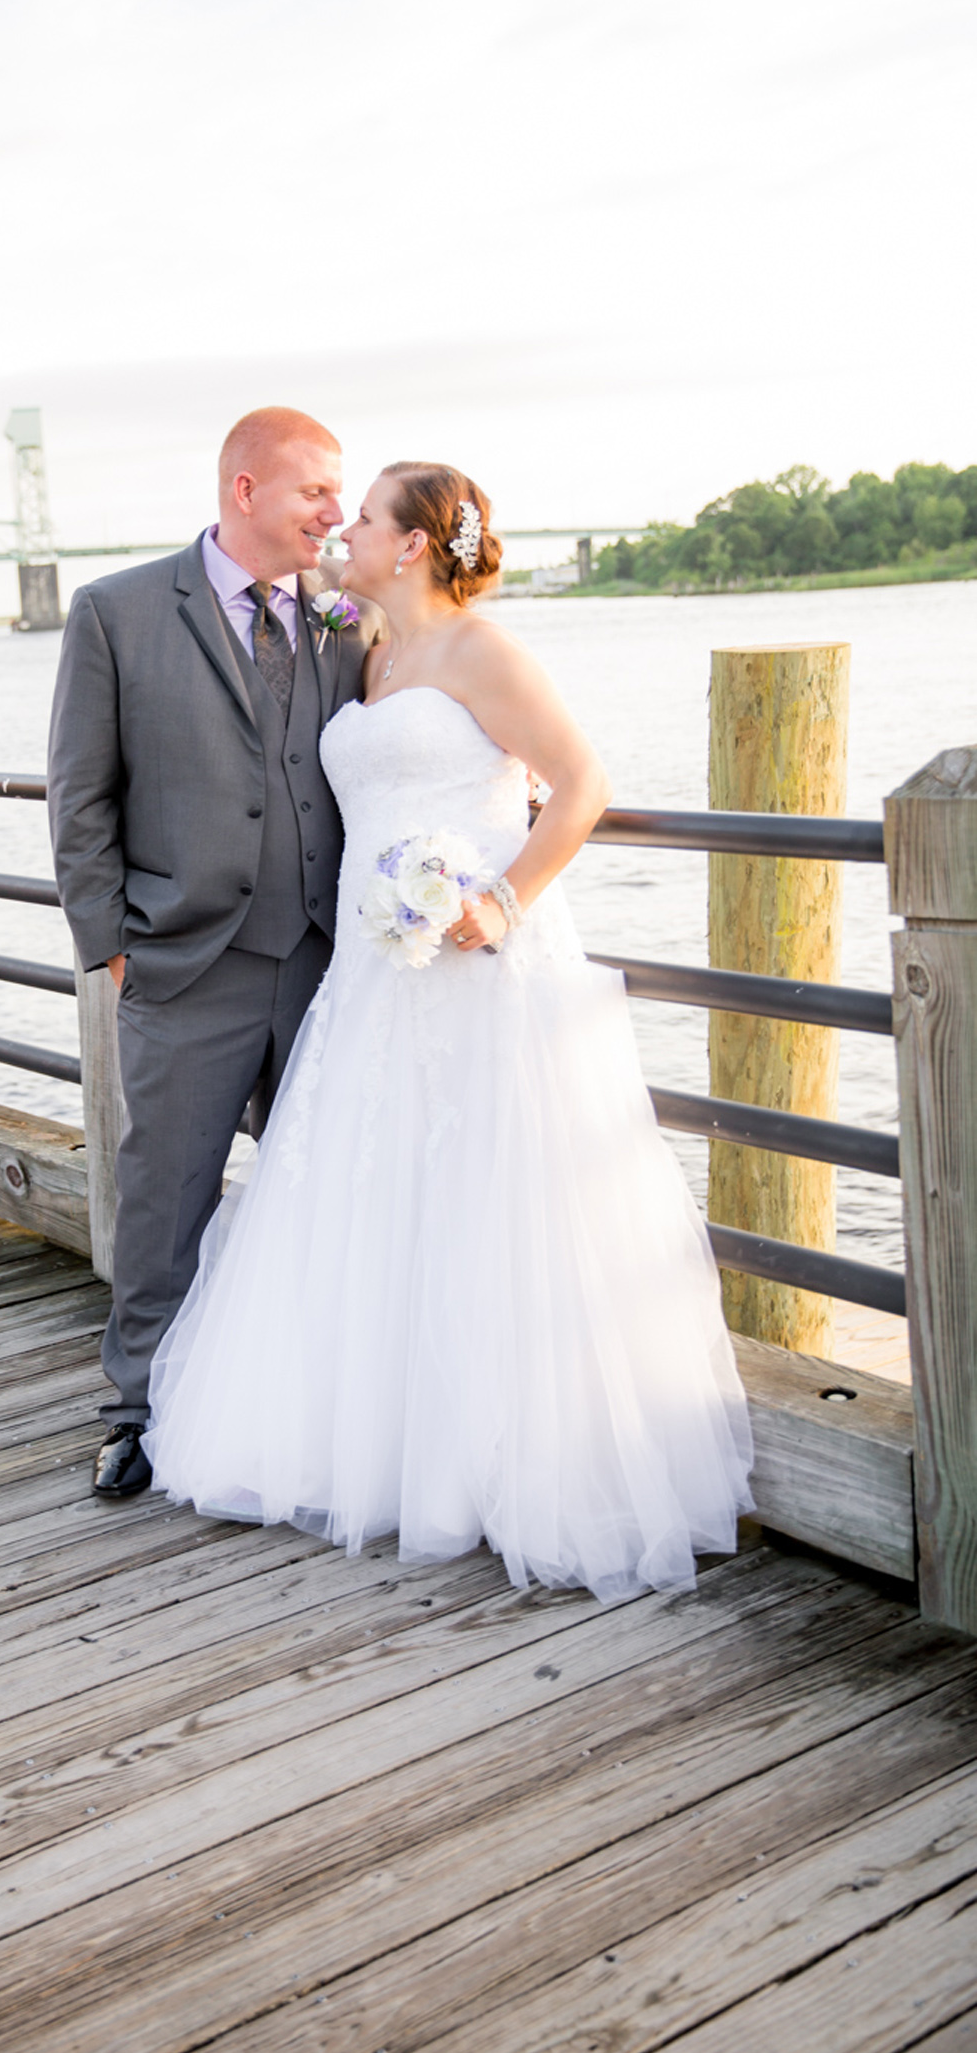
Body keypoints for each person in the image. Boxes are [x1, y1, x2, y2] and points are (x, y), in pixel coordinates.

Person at [143, 461, 754, 1603]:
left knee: (494, 1199)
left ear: (415, 544)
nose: (344, 528)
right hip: (374, 977)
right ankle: (381, 1448)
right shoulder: (365, 651)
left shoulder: (483, 652)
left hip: (479, 966)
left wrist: (501, 899)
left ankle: (504, 1464)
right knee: (373, 1193)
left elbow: (580, 782)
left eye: (366, 516)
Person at [47, 407, 387, 1498]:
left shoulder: (348, 618)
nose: (334, 512)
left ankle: (313, 1409)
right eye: (315, 491)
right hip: (186, 964)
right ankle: (135, 1411)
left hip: (330, 963)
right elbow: (80, 798)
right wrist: (112, 947)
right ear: (246, 491)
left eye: (340, 494)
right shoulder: (117, 613)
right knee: (165, 1197)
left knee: (329, 1192)